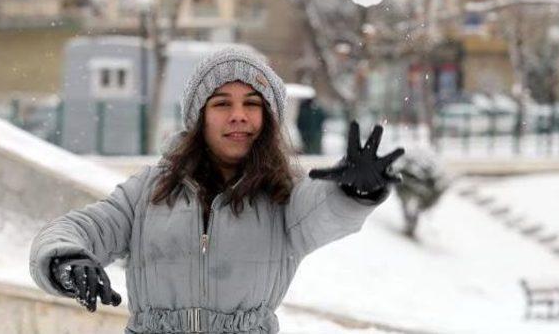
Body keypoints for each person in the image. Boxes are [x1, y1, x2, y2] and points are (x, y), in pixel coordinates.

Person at [29, 48, 404, 334]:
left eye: (252, 104)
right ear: (199, 117)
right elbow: (81, 227)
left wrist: (355, 193)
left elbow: (323, 210)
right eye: (222, 103)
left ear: (267, 119)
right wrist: (65, 259)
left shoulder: (284, 194)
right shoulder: (148, 191)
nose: (238, 115)